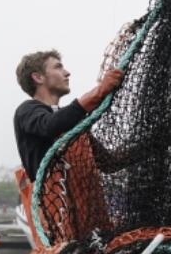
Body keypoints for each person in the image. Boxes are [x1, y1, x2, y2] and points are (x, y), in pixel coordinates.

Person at [12, 50, 123, 241]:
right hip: (54, 226)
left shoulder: (73, 122)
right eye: (58, 67)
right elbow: (50, 126)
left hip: (92, 225)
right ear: (38, 77)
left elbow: (108, 162)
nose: (67, 73)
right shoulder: (27, 111)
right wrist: (98, 92)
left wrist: (154, 146)